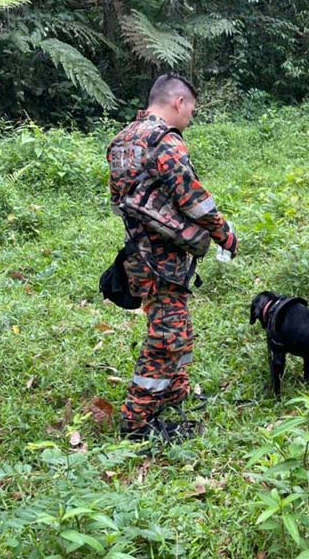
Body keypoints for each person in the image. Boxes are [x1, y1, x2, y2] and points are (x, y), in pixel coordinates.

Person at [107, 73, 238, 441]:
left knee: (176, 328)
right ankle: (137, 422)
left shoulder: (123, 140)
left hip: (139, 255)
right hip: (162, 260)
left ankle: (174, 393)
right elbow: (194, 200)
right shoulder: (164, 142)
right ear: (179, 102)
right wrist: (224, 233)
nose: (191, 116)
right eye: (191, 108)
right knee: (167, 338)